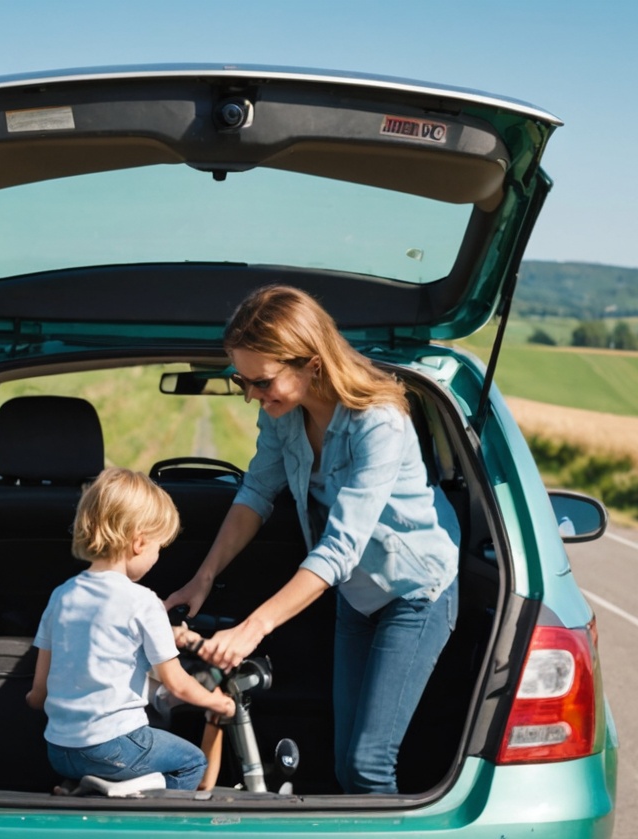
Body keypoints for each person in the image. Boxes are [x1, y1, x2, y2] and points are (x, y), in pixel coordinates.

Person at [164, 285, 461, 794]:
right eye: (242, 381)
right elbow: (257, 490)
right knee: (345, 762)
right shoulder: (283, 414)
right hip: (355, 594)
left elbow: (340, 548)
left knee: (369, 766)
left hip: (415, 591)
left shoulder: (379, 422)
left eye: (261, 381)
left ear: (312, 364)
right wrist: (202, 579)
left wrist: (251, 629)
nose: (253, 395)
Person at [28, 468, 235, 793]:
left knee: (111, 754)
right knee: (192, 763)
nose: (157, 557)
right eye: (158, 548)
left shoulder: (61, 596)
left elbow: (39, 693)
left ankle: (84, 789)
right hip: (112, 747)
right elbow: (177, 685)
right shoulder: (143, 601)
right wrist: (215, 702)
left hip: (59, 750)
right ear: (139, 543)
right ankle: (127, 800)